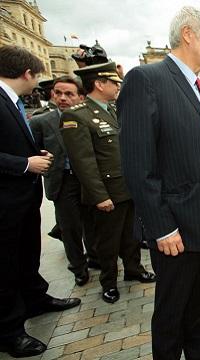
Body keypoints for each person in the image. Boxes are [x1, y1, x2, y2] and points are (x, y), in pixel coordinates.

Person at [118, 6, 200, 360]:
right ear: (188, 34)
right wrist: (161, 228)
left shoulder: (198, 87)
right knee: (172, 310)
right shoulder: (147, 79)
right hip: (175, 228)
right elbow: (138, 165)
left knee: (199, 299)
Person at [0, 45, 81, 358]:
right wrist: (25, 164)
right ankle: (9, 331)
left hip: (21, 200)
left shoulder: (14, 102)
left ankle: (35, 298)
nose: (39, 85)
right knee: (5, 266)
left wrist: (35, 155)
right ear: (27, 73)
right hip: (5, 203)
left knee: (26, 253)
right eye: (38, 78)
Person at [60, 62, 155, 304]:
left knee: (131, 236)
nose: (118, 86)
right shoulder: (77, 115)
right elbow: (84, 162)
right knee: (108, 242)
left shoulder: (113, 110)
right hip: (107, 192)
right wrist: (99, 196)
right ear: (99, 84)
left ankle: (133, 269)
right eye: (114, 82)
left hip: (127, 188)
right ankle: (109, 282)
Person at [30, 76, 100, 286]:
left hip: (87, 180)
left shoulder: (91, 119)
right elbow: (32, 151)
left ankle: (95, 257)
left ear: (80, 97)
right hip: (62, 181)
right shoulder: (41, 122)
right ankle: (78, 267)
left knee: (93, 222)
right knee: (70, 228)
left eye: (69, 94)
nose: (62, 98)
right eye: (58, 93)